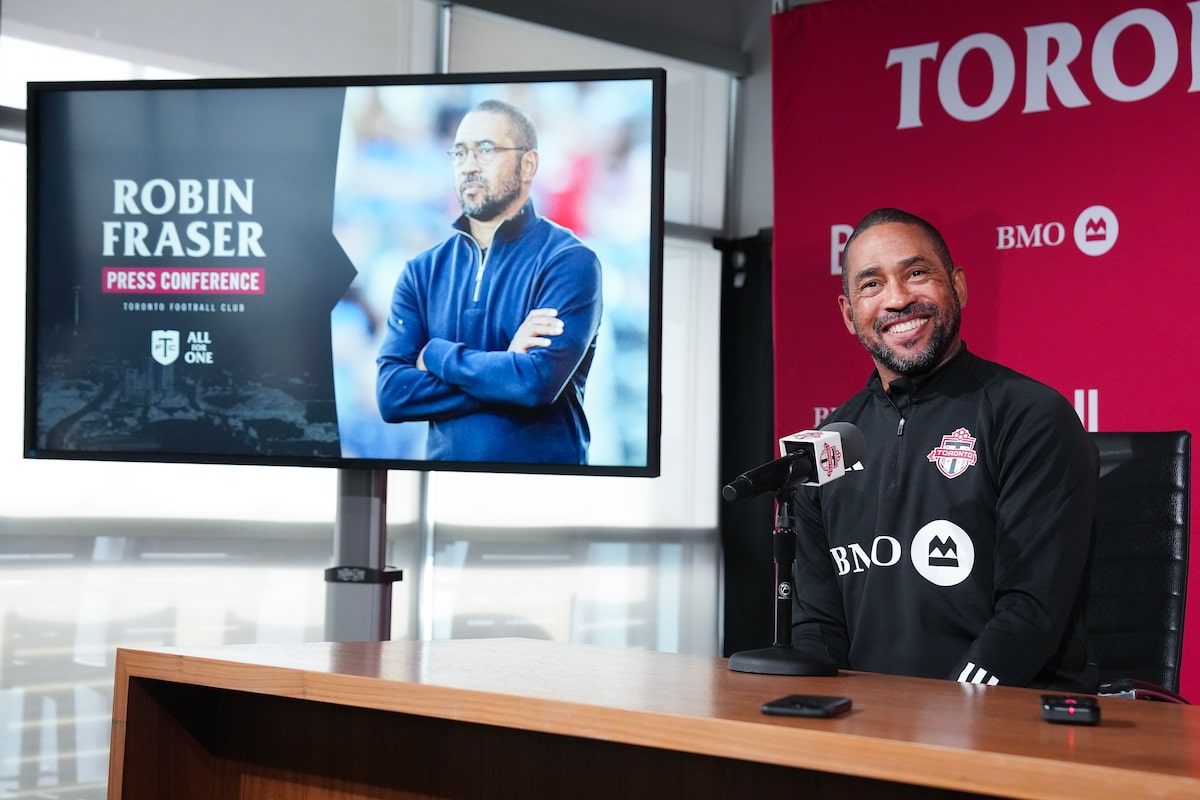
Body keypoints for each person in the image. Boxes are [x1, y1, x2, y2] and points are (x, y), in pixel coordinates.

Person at [790, 207, 1099, 692]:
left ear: (957, 286)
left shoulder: (1031, 415)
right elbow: (817, 627)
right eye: (871, 285)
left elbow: (1029, 616)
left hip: (1005, 729)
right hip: (871, 728)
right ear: (850, 316)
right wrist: (822, 717)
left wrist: (950, 719)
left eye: (916, 274)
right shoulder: (826, 444)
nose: (897, 298)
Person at [376, 99, 602, 463]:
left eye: (485, 151)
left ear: (528, 164)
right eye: (459, 153)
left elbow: (534, 384)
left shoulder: (570, 262)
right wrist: (505, 365)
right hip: (440, 492)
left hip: (547, 492)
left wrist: (435, 353)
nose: (468, 167)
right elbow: (393, 396)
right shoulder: (421, 271)